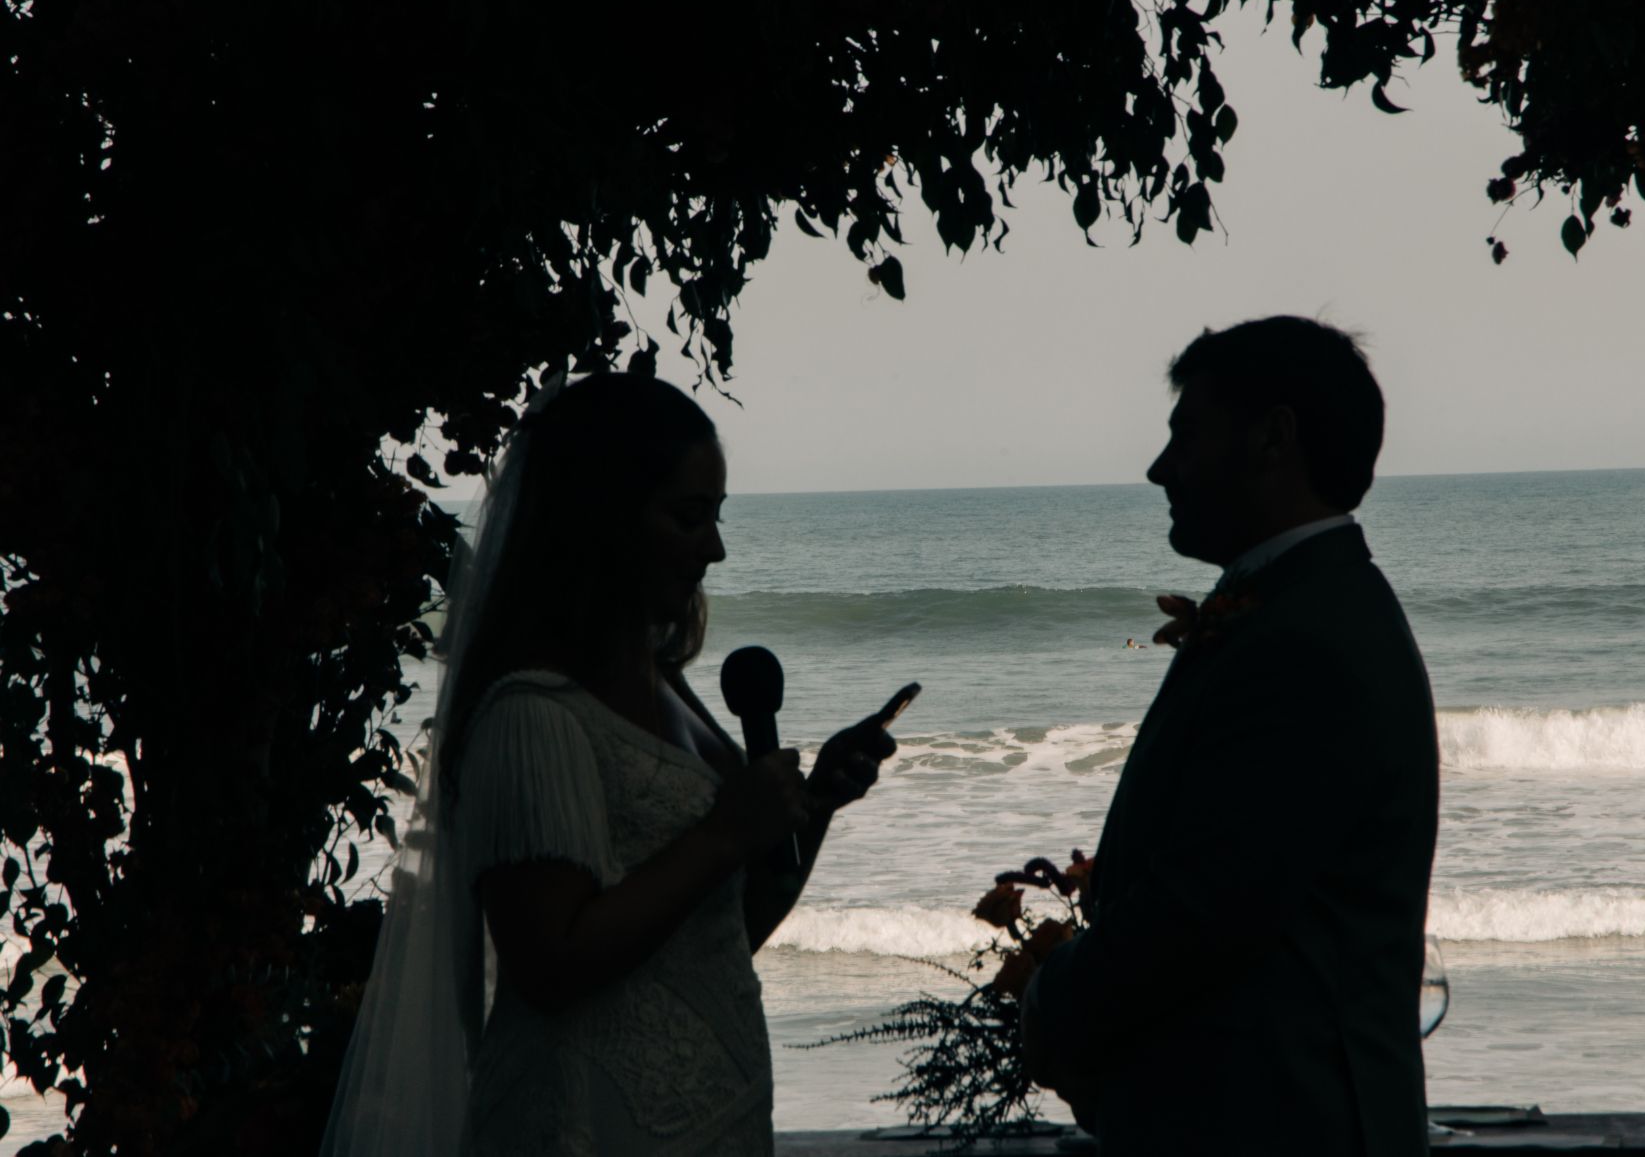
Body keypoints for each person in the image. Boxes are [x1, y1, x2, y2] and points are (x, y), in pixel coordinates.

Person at [321, 372, 895, 1156]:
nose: (716, 548)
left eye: (717, 517)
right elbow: (550, 961)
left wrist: (813, 805)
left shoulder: (672, 690)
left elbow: (719, 934)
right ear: (603, 523)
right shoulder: (530, 716)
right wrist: (726, 835)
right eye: (689, 517)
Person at [1021, 317, 1440, 1155]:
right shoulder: (1300, 607)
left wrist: (1050, 1002)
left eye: (1187, 433)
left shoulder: (1303, 640)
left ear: (1273, 439)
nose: (1158, 467)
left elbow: (1205, 911)